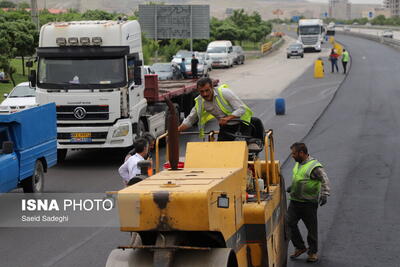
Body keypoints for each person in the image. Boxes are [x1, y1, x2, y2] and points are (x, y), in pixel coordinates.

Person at [287, 142, 330, 263]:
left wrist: (325, 194)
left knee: (311, 228)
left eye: (294, 153)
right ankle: (300, 247)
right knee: (288, 223)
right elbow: (300, 179)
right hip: (295, 202)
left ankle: (312, 253)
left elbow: (324, 179)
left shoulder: (314, 167)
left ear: (301, 153)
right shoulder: (298, 164)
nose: (292, 156)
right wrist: (292, 187)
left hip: (308, 203)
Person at [177, 77, 253, 141]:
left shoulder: (224, 93)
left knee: (245, 150)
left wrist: (228, 118)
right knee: (220, 152)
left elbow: (242, 109)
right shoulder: (200, 102)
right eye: (202, 91)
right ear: (198, 91)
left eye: (207, 90)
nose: (205, 94)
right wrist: (178, 129)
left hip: (243, 124)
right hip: (226, 128)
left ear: (212, 87)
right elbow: (191, 119)